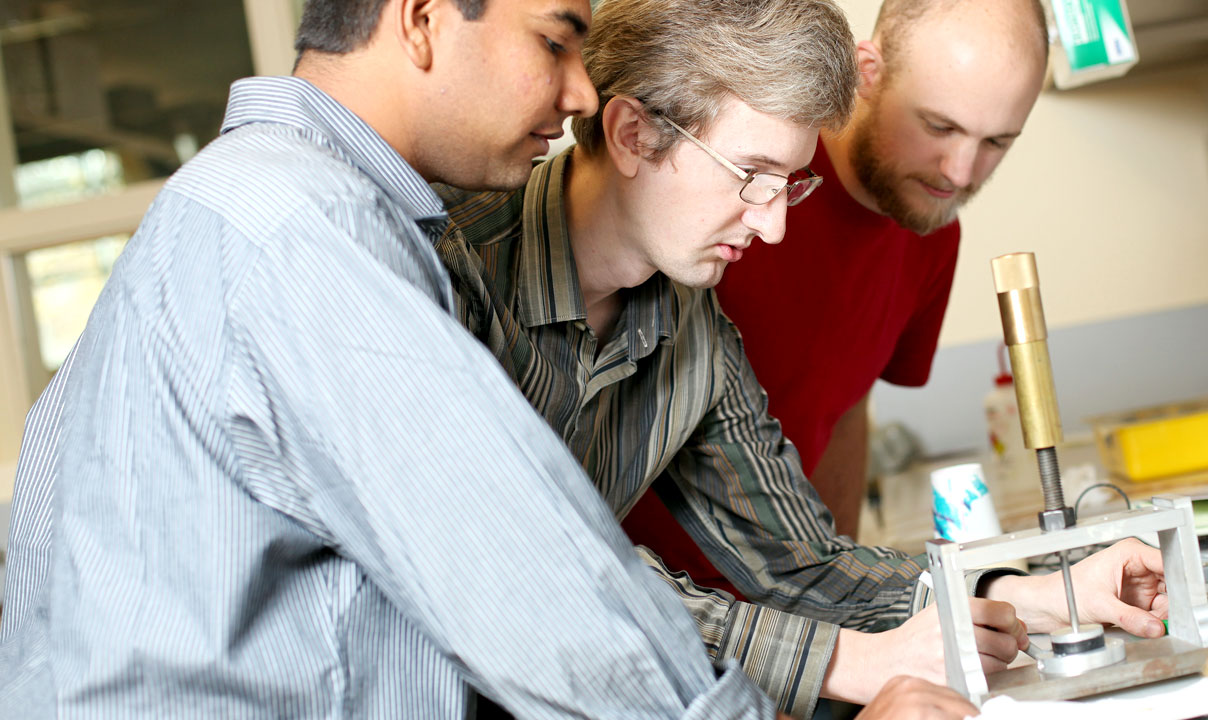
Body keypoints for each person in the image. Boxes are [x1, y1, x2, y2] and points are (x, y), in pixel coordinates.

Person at [0, 0, 787, 717]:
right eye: (552, 42)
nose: (581, 92)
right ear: (419, 20)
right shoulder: (311, 228)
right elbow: (522, 579)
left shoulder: (229, 205)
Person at [432, 0, 1169, 718]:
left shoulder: (689, 317)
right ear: (631, 134)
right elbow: (548, 575)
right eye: (753, 174)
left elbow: (797, 559)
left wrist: (1033, 590)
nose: (775, 226)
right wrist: (853, 662)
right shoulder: (444, 270)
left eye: (791, 183)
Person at [624, 0, 1048, 586]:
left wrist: (835, 582)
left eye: (997, 141)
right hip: (640, 595)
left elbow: (845, 411)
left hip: (776, 600)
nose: (960, 171)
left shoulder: (933, 234)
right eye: (938, 126)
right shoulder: (746, 186)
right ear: (866, 73)